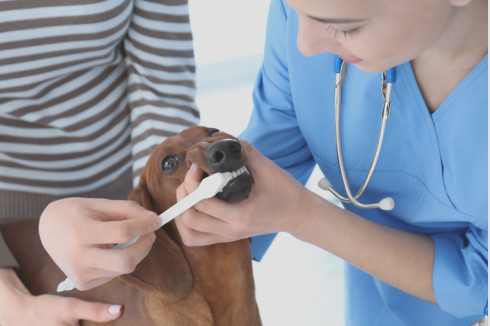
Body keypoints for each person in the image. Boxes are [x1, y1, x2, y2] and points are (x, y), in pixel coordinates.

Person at [172, 0, 488, 325]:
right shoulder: (301, 13)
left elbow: (482, 282)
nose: (304, 45)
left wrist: (307, 217)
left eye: (344, 26)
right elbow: (278, 130)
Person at [0, 0, 198, 325]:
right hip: (9, 243)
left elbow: (162, 83)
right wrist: (7, 299)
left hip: (129, 210)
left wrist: (157, 207)